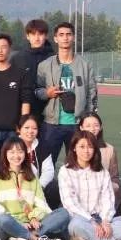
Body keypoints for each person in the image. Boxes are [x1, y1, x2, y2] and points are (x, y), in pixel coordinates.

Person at [59, 131, 121, 240]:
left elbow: (108, 199)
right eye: (82, 146)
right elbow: (70, 204)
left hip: (100, 218)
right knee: (75, 226)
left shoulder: (102, 171)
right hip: (79, 219)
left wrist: (105, 221)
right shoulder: (65, 171)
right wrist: (92, 222)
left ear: (95, 149)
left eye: (90, 147)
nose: (86, 151)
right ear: (74, 148)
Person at [35, 22, 98, 164]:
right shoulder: (45, 65)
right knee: (46, 164)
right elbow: (36, 91)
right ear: (55, 38)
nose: (65, 38)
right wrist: (47, 93)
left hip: (77, 124)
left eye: (68, 34)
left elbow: (92, 94)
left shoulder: (85, 65)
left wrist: (88, 120)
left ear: (73, 37)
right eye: (61, 35)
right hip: (51, 124)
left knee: (78, 164)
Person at [0, 137, 68, 240]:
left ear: (25, 154)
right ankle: (36, 239)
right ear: (5, 154)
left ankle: (23, 237)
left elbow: (41, 204)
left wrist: (33, 218)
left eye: (20, 152)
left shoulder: (32, 177)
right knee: (2, 219)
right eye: (12, 152)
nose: (16, 156)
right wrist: (18, 223)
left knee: (63, 213)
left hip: (32, 224)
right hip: (10, 224)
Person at [78, 113, 121, 213]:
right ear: (81, 128)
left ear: (101, 127)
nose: (92, 129)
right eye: (88, 126)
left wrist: (111, 187)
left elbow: (115, 177)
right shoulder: (75, 148)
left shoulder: (109, 149)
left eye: (96, 125)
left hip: (104, 195)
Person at [11, 18, 54, 117]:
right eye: (33, 34)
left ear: (46, 36)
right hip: (24, 111)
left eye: (40, 34)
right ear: (27, 36)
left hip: (49, 112)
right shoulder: (17, 58)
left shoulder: (54, 58)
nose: (37, 38)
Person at [16, 114, 58, 209]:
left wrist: (38, 187)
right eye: (26, 128)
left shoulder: (43, 146)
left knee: (54, 187)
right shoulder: (12, 145)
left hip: (38, 187)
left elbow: (48, 171)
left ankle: (49, 212)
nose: (30, 131)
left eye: (34, 128)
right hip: (17, 188)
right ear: (19, 129)